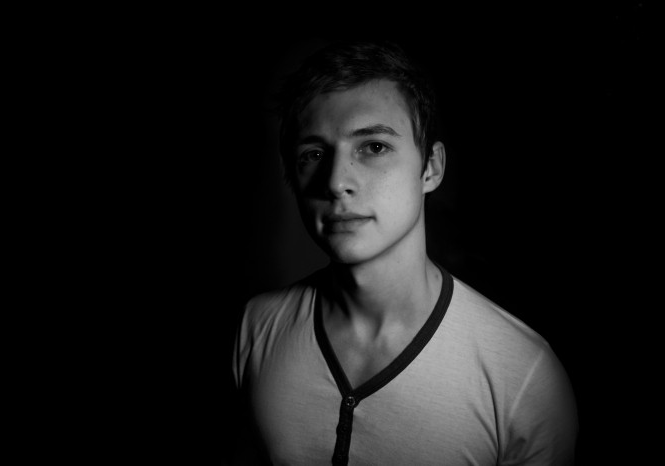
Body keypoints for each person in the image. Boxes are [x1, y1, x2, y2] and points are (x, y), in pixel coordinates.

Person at [231, 39, 578, 465]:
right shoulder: (257, 326)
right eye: (314, 154)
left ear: (431, 167)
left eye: (374, 147)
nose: (336, 182)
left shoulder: (522, 375)